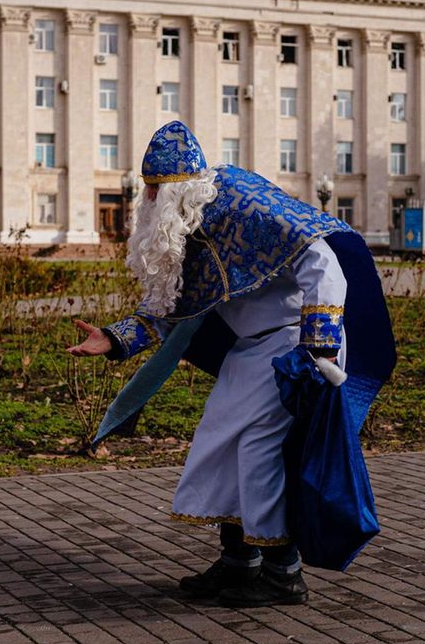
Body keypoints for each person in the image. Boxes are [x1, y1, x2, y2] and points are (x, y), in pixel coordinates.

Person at [68, 121, 394, 607]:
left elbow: (323, 261)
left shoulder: (245, 203)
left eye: (155, 189)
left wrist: (319, 345)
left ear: (179, 187)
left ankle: (283, 573)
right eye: (147, 189)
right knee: (217, 445)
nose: (149, 200)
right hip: (251, 349)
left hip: (292, 347)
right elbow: (167, 306)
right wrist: (114, 341)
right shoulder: (187, 224)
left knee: (258, 451)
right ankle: (239, 562)